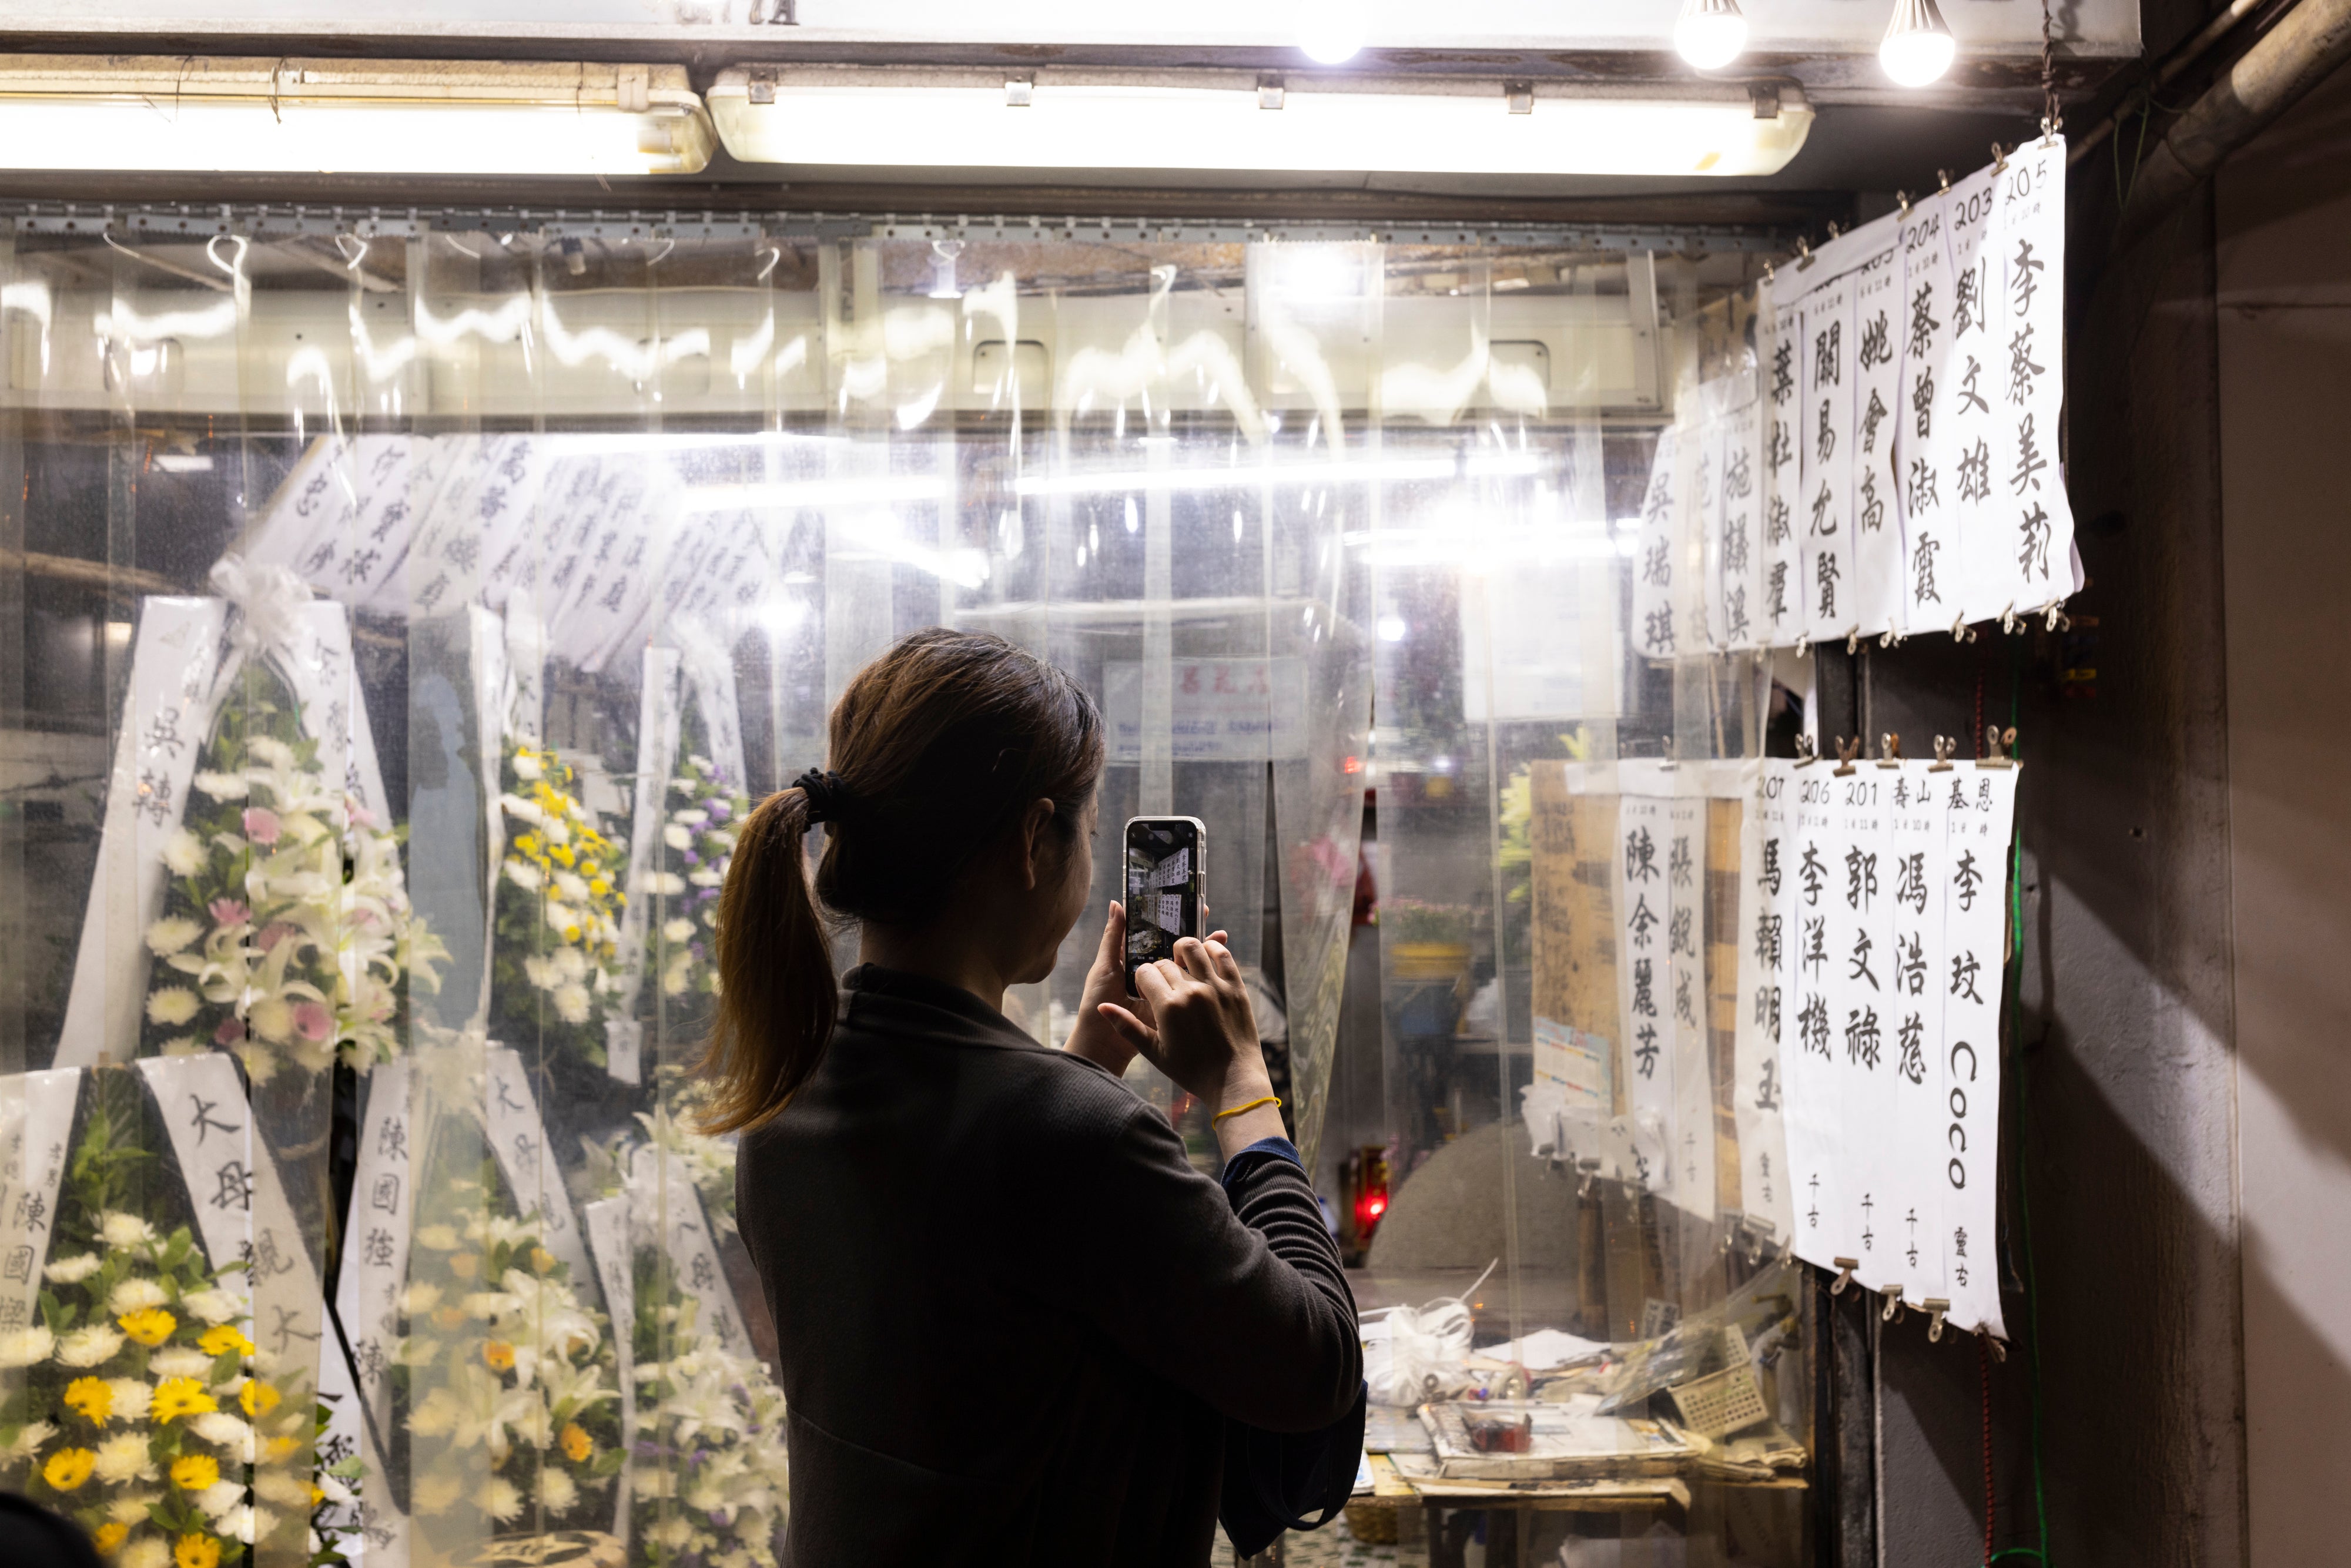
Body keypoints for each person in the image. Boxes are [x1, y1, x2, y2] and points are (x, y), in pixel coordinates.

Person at [702, 628, 1363, 1566]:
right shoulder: (1072, 1138)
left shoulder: (788, 1097)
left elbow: (979, 1341)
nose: (1091, 865)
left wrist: (1080, 1067)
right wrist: (1242, 1088)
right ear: (1029, 841)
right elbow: (1317, 1367)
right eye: (1089, 836)